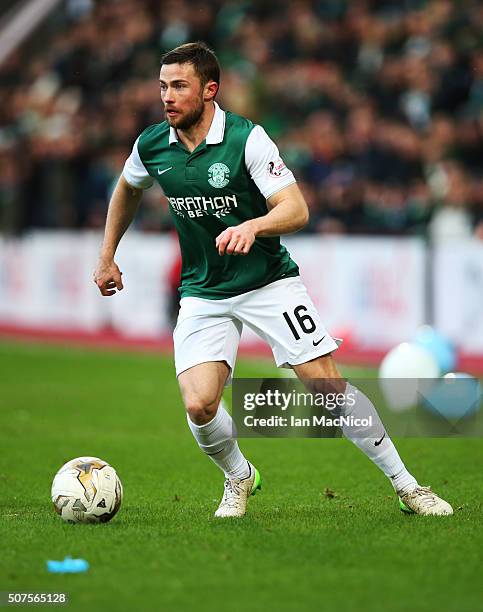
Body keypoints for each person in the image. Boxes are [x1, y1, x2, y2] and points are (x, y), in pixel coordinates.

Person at [94, 42, 453, 518]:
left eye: (179, 86)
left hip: (268, 281)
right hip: (203, 291)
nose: (167, 96)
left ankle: (409, 487)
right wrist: (107, 255)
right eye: (163, 86)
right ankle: (239, 476)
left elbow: (296, 208)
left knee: (326, 387)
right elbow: (128, 188)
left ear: (209, 90)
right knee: (200, 405)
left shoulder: (247, 138)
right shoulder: (152, 145)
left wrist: (253, 225)